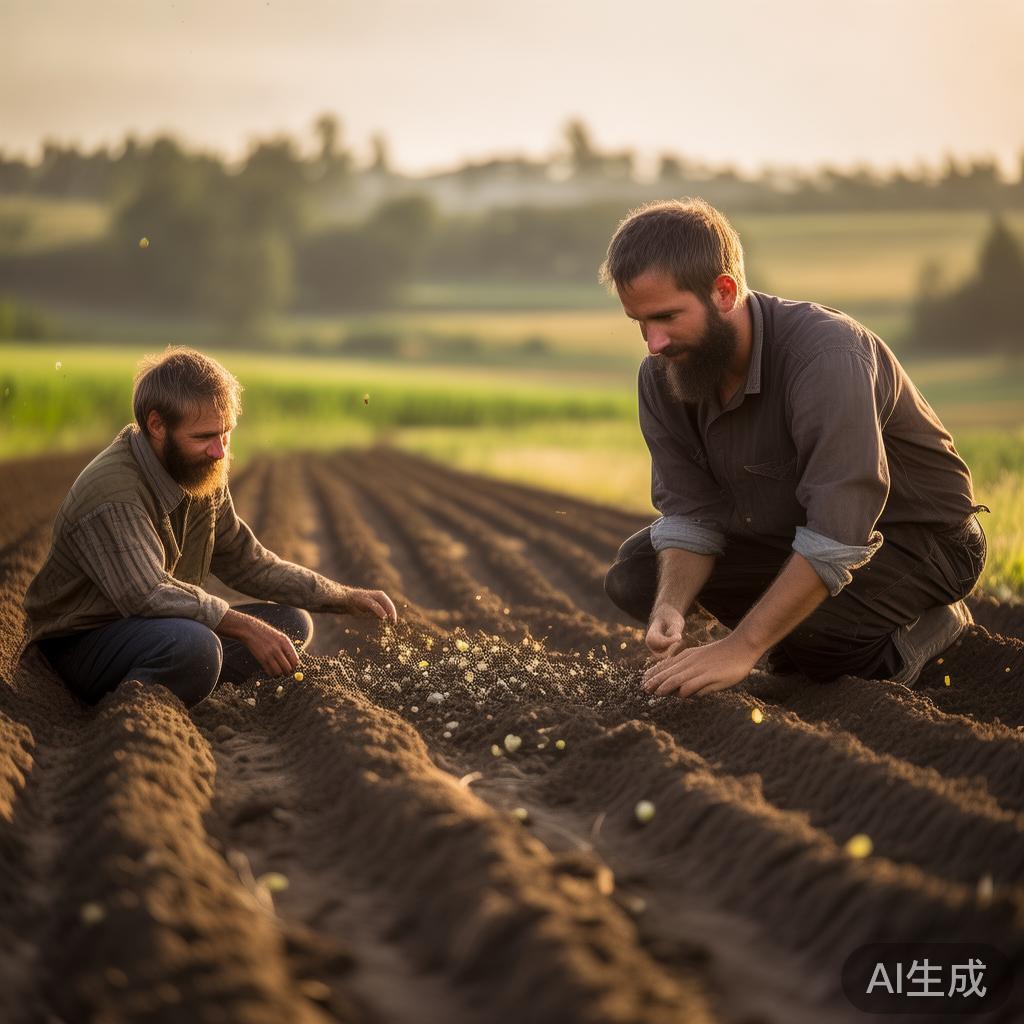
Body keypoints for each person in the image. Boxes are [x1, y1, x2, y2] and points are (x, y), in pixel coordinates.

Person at [599, 198, 988, 699]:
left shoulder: (826, 356)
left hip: (919, 538)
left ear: (724, 292)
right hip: (797, 531)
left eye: (667, 317)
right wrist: (671, 606)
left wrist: (741, 646)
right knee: (637, 577)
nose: (654, 343)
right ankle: (799, 628)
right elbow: (692, 513)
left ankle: (932, 623)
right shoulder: (663, 376)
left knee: (816, 644)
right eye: (640, 323)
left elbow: (837, 531)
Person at [25, 347, 398, 708]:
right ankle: (136, 702)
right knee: (197, 647)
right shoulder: (112, 493)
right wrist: (247, 628)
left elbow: (247, 561)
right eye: (204, 437)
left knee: (289, 624)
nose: (220, 451)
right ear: (156, 425)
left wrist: (342, 596)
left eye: (226, 433)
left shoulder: (198, 472)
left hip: (152, 628)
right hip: (81, 643)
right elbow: (147, 594)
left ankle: (187, 675)